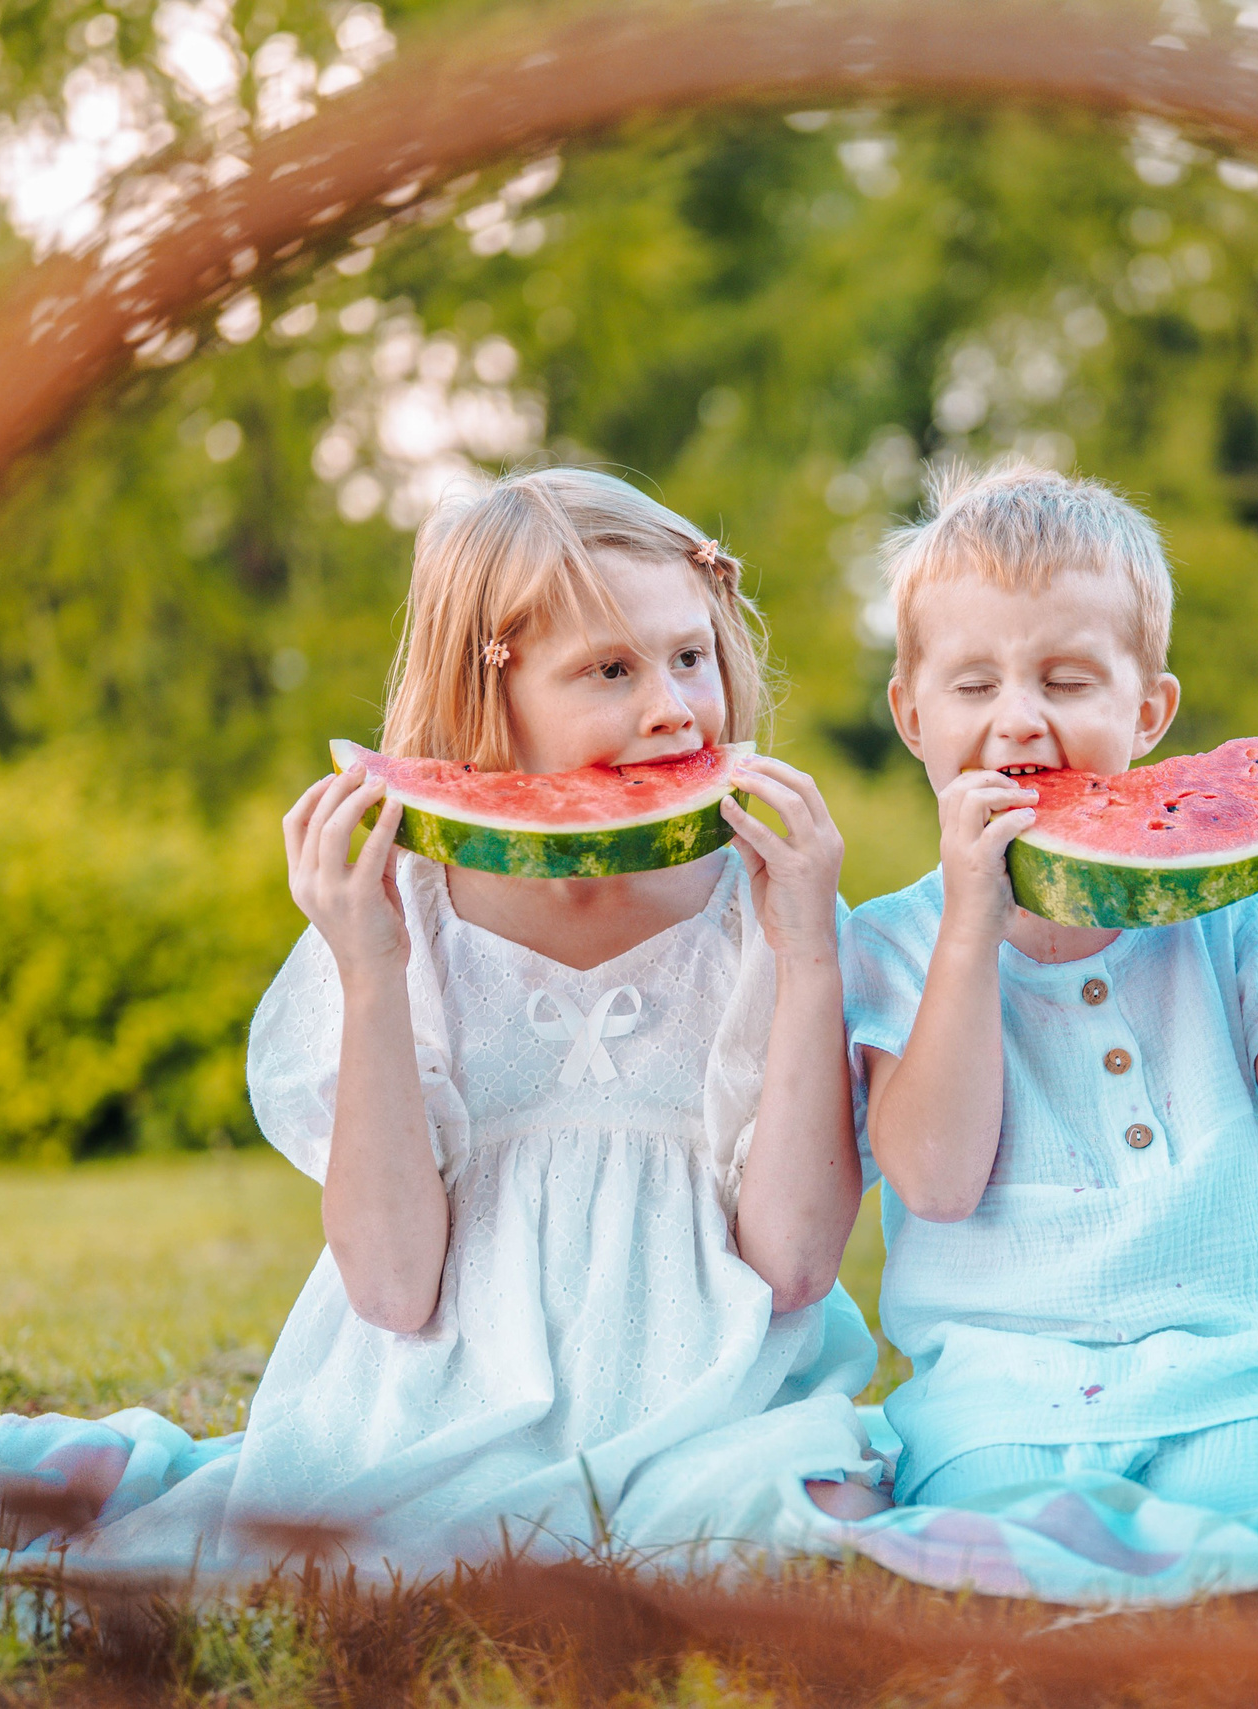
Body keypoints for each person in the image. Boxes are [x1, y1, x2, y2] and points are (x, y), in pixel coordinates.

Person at [240, 466, 891, 1558]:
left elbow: (791, 1267)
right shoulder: (406, 923)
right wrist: (370, 970)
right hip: (447, 1397)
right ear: (485, 695)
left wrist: (809, 952)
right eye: (608, 669)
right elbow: (394, 1288)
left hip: (714, 1393)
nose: (672, 706)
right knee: (414, 1543)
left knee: (814, 1514)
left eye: (691, 655)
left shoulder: (764, 914)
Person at [843, 459, 1258, 1511]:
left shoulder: (1224, 905)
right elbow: (934, 1180)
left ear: (1149, 710)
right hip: (997, 1397)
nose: (1017, 719)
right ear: (910, 714)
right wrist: (971, 920)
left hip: (1242, 1370)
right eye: (974, 684)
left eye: (1065, 681)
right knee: (1003, 1560)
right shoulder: (888, 945)